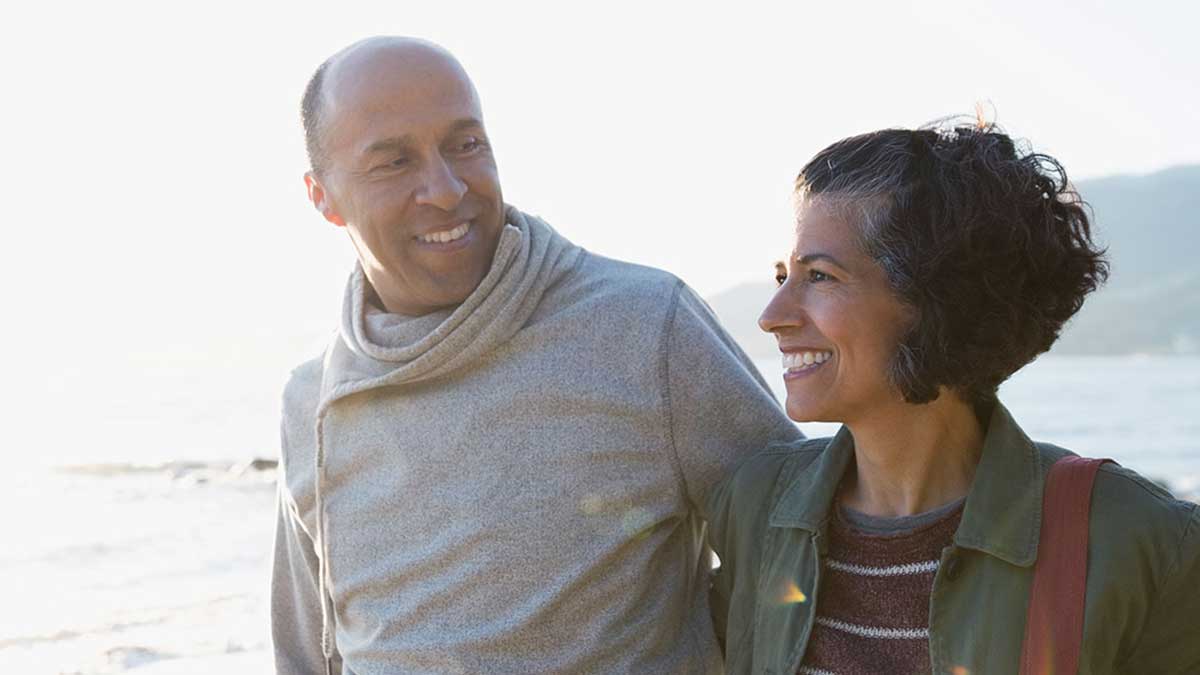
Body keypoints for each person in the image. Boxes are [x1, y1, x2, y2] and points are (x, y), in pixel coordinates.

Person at [271, 36, 801, 674]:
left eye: (466, 144)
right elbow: (307, 657)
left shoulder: (643, 326)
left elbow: (798, 556)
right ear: (322, 196)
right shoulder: (311, 403)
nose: (445, 189)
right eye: (393, 162)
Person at [706, 124, 1200, 674]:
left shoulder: (1140, 543)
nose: (772, 316)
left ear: (938, 298)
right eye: (782, 276)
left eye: (819, 276)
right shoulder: (755, 505)